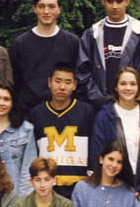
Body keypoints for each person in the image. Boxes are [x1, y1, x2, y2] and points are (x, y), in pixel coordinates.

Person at [77, 0, 140, 110]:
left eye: (119, 1)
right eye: (110, 1)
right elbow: (82, 72)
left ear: (127, 1)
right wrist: (99, 99)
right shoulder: (93, 34)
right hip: (99, 108)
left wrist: (129, 97)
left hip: (131, 107)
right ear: (103, 1)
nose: (114, 6)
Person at [90, 66, 140, 193]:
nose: (128, 88)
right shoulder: (104, 116)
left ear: (139, 87)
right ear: (116, 87)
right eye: (123, 84)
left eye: (133, 84)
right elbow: (97, 155)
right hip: (114, 188)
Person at [9, 0, 80, 116]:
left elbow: (78, 80)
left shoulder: (72, 42)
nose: (46, 11)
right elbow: (15, 82)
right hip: (28, 114)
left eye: (51, 6)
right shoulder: (20, 43)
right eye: (41, 6)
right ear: (34, 9)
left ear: (59, 9)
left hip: (64, 113)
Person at [28, 64, 94, 199]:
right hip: (47, 187)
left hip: (80, 187)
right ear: (49, 82)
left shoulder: (86, 111)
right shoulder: (37, 113)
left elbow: (94, 147)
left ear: (74, 85)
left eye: (68, 82)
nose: (62, 87)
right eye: (57, 81)